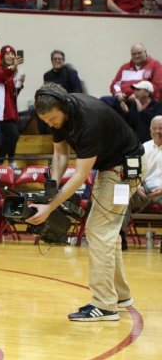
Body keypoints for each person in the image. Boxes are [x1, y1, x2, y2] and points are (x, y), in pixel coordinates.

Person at [30, 82, 143, 321]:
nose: (51, 125)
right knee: (107, 233)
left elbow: (81, 175)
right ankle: (120, 295)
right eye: (46, 121)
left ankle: (104, 305)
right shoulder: (58, 115)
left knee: (98, 230)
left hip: (122, 170)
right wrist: (52, 186)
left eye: (52, 119)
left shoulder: (87, 121)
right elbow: (60, 155)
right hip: (111, 167)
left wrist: (49, 208)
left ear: (64, 106)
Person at [121, 116, 162, 247]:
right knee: (122, 195)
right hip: (144, 190)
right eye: (154, 128)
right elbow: (134, 172)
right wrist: (137, 186)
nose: (157, 131)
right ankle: (120, 237)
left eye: (161, 128)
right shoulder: (143, 147)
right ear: (150, 130)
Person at [102, 43, 162, 113]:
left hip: (144, 101)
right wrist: (118, 94)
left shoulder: (155, 65)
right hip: (124, 99)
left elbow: (157, 85)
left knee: (133, 109)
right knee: (103, 101)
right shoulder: (124, 67)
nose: (136, 56)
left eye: (139, 53)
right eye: (134, 54)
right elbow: (115, 84)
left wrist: (136, 95)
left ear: (145, 52)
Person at [0, 45, 25, 167]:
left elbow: (13, 94)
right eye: (7, 54)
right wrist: (14, 66)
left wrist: (20, 83)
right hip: (2, 110)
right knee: (14, 135)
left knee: (7, 137)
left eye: (12, 54)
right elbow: (1, 77)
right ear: (2, 57)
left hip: (11, 109)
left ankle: (0, 162)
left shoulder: (13, 73)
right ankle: (11, 160)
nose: (10, 56)